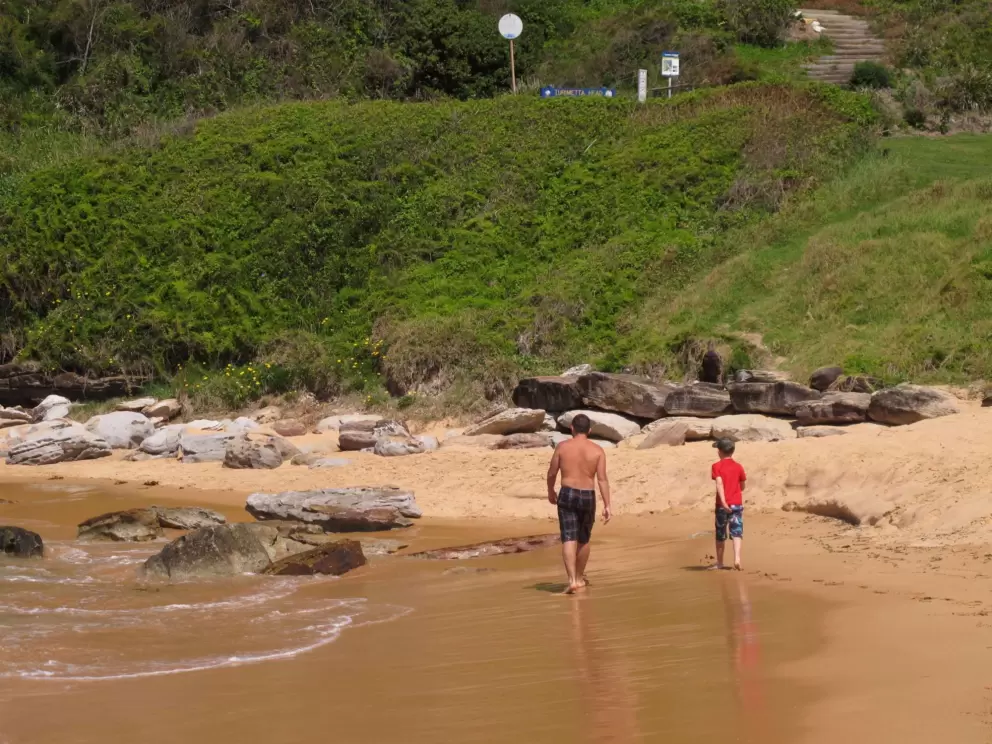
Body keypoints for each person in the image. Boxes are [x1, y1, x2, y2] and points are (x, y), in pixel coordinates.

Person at [547, 414, 612, 593]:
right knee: (583, 538)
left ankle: (572, 580)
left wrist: (550, 490)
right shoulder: (598, 450)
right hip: (587, 495)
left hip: (567, 493)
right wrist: (607, 504)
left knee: (569, 537)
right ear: (589, 430)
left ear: (572, 428)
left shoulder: (562, 447)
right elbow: (602, 479)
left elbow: (552, 472)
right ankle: (579, 577)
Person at [711, 438, 746, 570]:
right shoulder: (738, 466)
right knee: (736, 532)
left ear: (719, 451)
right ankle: (737, 559)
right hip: (736, 504)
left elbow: (719, 483)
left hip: (722, 505)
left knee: (720, 534)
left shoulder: (716, 466)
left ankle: (720, 563)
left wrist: (724, 502)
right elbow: (742, 486)